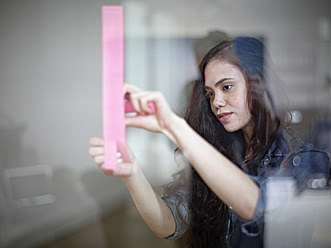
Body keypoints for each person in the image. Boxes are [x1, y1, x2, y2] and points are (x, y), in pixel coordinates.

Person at [89, 37, 330, 247]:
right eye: (210, 93)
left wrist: (174, 127)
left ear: (259, 86)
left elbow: (254, 204)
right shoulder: (217, 151)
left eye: (227, 87)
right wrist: (132, 172)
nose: (217, 102)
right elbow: (167, 224)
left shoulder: (306, 157)